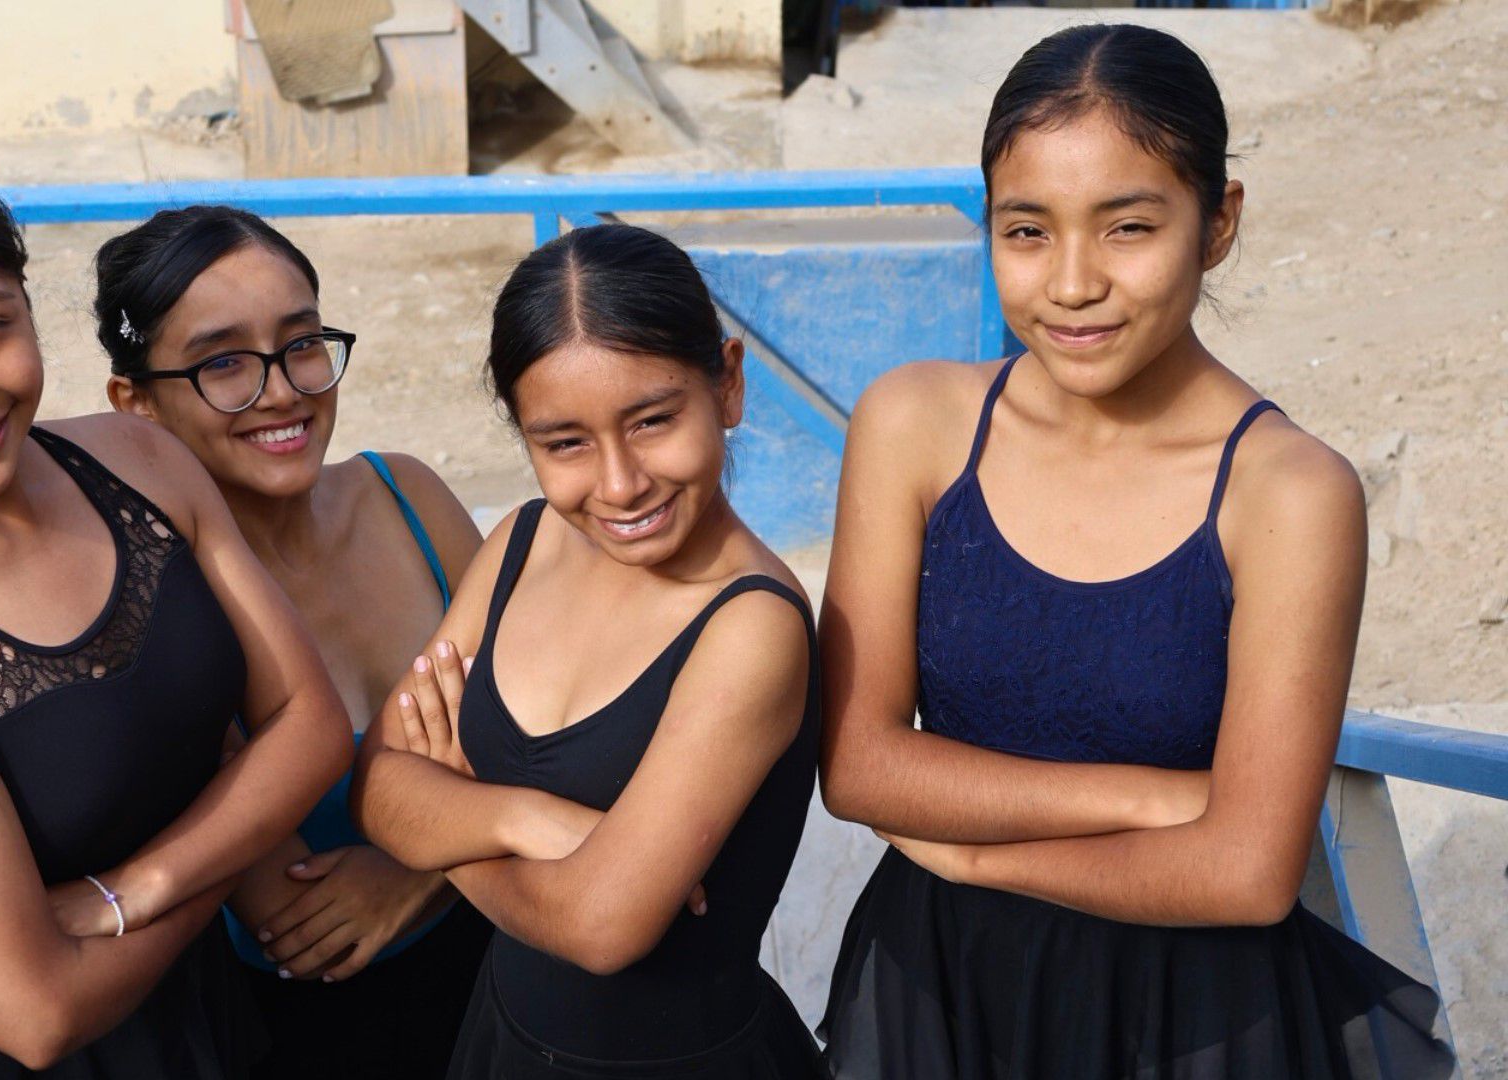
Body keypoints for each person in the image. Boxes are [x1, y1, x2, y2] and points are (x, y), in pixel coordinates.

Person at [815, 25, 1454, 1079]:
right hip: (942, 992)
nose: (1072, 284)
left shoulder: (1289, 493)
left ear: (1217, 224)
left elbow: (1248, 872)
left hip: (1196, 1018)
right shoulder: (915, 426)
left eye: (1128, 227)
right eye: (1027, 231)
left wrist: (974, 847)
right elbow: (860, 762)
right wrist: (1151, 799)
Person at [0, 140, 353, 1078]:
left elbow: (312, 725)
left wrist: (139, 887)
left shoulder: (139, 460)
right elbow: (35, 1013)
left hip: (202, 1020)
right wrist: (222, 848)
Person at [353, 223, 825, 1078]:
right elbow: (377, 784)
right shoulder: (521, 543)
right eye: (564, 443)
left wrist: (445, 818)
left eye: (652, 421)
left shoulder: (751, 626)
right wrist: (529, 820)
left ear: (728, 385)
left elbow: (603, 928)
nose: (618, 483)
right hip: (501, 1044)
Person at [95, 205, 493, 1079]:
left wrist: (417, 872)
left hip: (508, 1000)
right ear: (138, 405)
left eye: (301, 343)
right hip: (307, 1041)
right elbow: (303, 924)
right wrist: (490, 816)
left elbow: (571, 730)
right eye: (221, 363)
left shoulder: (409, 498)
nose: (280, 389)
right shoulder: (159, 614)